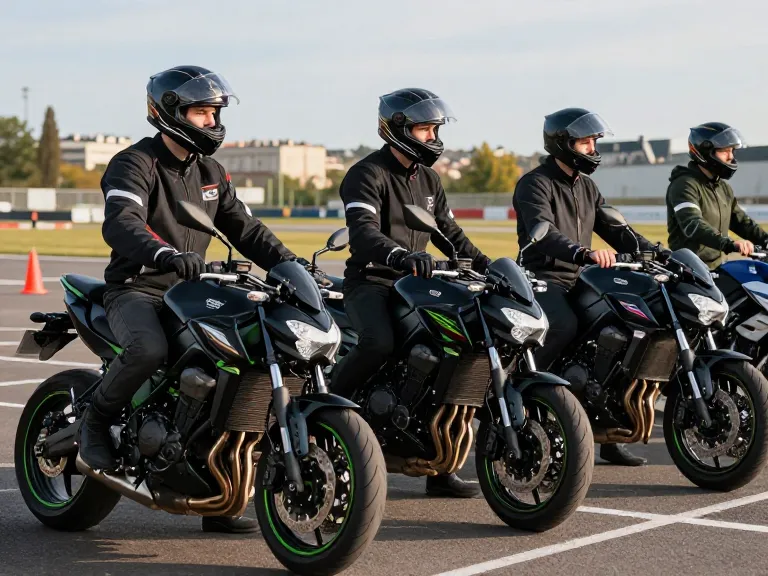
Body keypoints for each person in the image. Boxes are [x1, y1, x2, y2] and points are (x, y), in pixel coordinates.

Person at [77, 65, 304, 534]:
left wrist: (291, 265)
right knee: (150, 349)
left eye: (214, 111)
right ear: (168, 112)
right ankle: (94, 424)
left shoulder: (212, 171)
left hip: (194, 291)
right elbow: (121, 221)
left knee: (241, 360)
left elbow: (245, 229)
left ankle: (217, 490)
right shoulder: (134, 163)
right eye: (201, 112)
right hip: (138, 288)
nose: (211, 121)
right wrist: (162, 251)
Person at [331, 88, 491, 498]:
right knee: (378, 342)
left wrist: (491, 267)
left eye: (435, 128)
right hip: (373, 281)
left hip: (418, 285)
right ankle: (328, 411)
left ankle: (440, 466)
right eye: (424, 128)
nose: (433, 136)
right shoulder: (366, 174)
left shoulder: (430, 179)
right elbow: (364, 235)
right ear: (398, 128)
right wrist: (400, 255)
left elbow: (450, 235)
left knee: (453, 352)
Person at [513, 107, 661, 467]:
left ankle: (610, 431)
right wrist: (583, 252)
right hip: (543, 278)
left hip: (580, 278)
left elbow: (616, 229)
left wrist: (655, 252)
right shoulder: (535, 183)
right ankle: (522, 392)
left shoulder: (587, 186)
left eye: (594, 141)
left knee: (623, 329)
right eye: (585, 141)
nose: (593, 147)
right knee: (564, 325)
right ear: (563, 143)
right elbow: (544, 233)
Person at [666, 122, 768, 269]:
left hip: (716, 268)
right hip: (689, 271)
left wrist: (765, 240)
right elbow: (693, 224)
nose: (731, 157)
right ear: (706, 152)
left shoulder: (723, 188)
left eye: (732, 151)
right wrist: (730, 244)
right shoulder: (684, 185)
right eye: (725, 151)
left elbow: (741, 221)